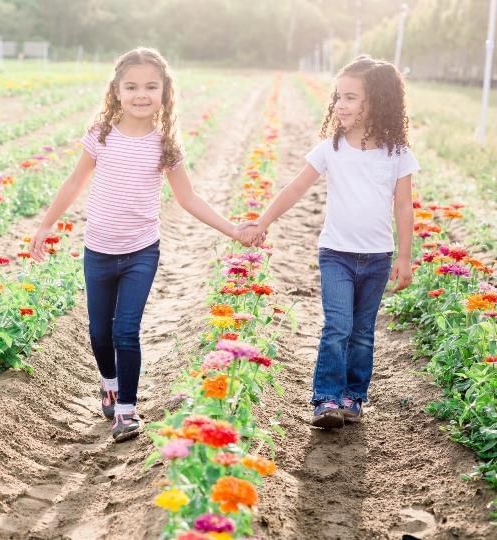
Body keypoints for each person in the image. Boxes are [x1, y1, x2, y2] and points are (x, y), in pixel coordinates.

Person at [29, 47, 260, 442]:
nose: (141, 94)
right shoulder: (101, 135)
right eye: (132, 86)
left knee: (126, 330)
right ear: (116, 91)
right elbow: (74, 183)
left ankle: (126, 411)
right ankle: (109, 383)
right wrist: (45, 225)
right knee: (99, 332)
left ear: (164, 92)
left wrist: (234, 230)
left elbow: (188, 199)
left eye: (151, 87)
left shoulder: (165, 144)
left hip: (141, 251)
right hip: (99, 250)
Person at [241, 55, 418, 429]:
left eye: (351, 97)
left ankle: (353, 396)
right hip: (335, 253)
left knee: (363, 331)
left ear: (378, 102)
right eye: (338, 96)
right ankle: (325, 399)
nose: (340, 104)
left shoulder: (397, 154)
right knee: (337, 326)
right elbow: (295, 187)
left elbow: (403, 207)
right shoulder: (330, 148)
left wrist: (405, 256)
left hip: (377, 257)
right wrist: (263, 221)